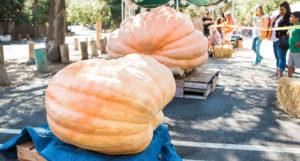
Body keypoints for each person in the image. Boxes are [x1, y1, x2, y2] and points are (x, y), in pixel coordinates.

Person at [270, 1, 292, 78]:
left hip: (282, 40)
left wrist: (278, 31)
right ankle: (277, 72)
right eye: (280, 9)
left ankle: (280, 74)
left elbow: (288, 30)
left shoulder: (289, 18)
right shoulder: (278, 16)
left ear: (287, 9)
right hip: (274, 39)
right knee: (277, 57)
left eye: (282, 10)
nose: (281, 11)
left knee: (281, 57)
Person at [287, 11, 300, 78]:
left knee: (298, 66)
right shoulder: (293, 26)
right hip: (291, 49)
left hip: (298, 50)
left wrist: (298, 43)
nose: (290, 18)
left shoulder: (299, 26)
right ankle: (289, 80)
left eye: (292, 17)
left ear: (297, 18)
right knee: (289, 65)